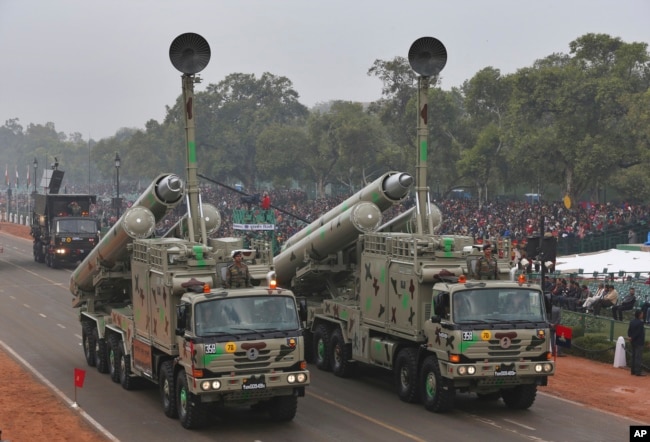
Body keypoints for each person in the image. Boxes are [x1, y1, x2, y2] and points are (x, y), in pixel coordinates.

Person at [627, 309, 646, 376]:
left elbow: (629, 331)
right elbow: (638, 333)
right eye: (642, 314)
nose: (642, 315)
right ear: (639, 315)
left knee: (633, 356)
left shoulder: (632, 321)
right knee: (638, 357)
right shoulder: (640, 323)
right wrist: (632, 337)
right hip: (639, 342)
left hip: (633, 342)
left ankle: (633, 371)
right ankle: (638, 372)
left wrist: (630, 337)